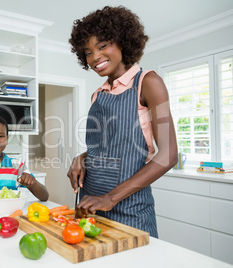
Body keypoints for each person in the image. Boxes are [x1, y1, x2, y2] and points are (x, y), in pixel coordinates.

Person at [67, 6, 178, 237]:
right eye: (87, 52)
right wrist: (82, 157)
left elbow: (168, 155)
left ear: (123, 42)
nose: (95, 57)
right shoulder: (98, 95)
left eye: (102, 45)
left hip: (130, 212)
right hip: (90, 208)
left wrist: (110, 198)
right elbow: (110, 147)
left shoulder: (149, 82)